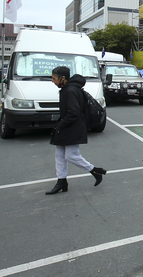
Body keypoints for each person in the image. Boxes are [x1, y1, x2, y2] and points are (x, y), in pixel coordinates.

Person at [46, 66, 107, 195]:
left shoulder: (70, 91)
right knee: (59, 155)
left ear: (63, 78)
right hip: (69, 126)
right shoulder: (69, 89)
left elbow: (73, 112)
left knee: (70, 155)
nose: (52, 81)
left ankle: (94, 170)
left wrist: (61, 125)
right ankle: (61, 181)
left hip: (72, 127)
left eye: (54, 78)